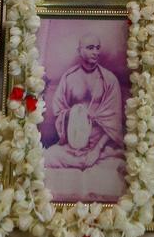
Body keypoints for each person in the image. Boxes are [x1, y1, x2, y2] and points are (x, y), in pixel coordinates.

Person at [42, 29, 127, 201]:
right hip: (71, 148)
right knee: (47, 158)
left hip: (102, 148)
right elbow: (59, 111)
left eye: (97, 47)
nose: (95, 52)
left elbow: (113, 121)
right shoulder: (69, 77)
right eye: (90, 48)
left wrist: (96, 150)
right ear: (79, 50)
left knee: (119, 167)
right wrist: (74, 116)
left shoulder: (109, 80)